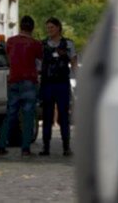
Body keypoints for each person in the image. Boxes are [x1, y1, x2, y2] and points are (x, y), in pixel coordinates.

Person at [0, 16, 43, 157]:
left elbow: (9, 57)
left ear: (20, 27)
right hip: (29, 81)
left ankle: (0, 146)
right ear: (32, 28)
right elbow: (40, 59)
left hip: (14, 80)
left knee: (10, 114)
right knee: (28, 115)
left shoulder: (10, 42)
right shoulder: (35, 43)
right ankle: (25, 148)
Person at [40, 17, 77, 156]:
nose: (49, 30)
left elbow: (74, 62)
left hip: (62, 83)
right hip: (47, 84)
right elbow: (38, 63)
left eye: (52, 27)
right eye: (47, 28)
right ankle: (46, 146)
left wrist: (78, 78)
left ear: (58, 28)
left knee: (63, 116)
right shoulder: (42, 45)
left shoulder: (68, 44)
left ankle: (66, 146)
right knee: (47, 116)